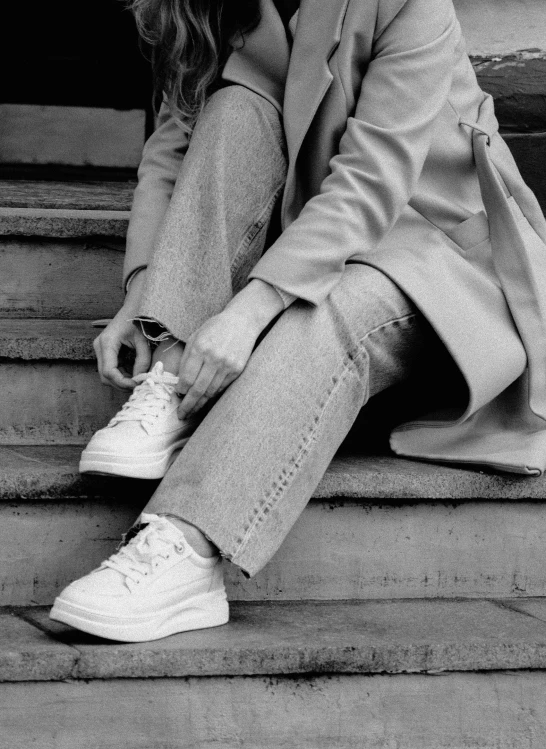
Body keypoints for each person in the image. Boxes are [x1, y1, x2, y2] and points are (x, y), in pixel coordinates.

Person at [50, 0, 546, 642]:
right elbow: (171, 153)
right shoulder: (206, 5)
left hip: (436, 248)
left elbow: (370, 183)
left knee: (328, 308)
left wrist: (249, 311)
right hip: (311, 241)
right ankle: (172, 378)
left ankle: (186, 548)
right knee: (231, 111)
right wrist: (145, 300)